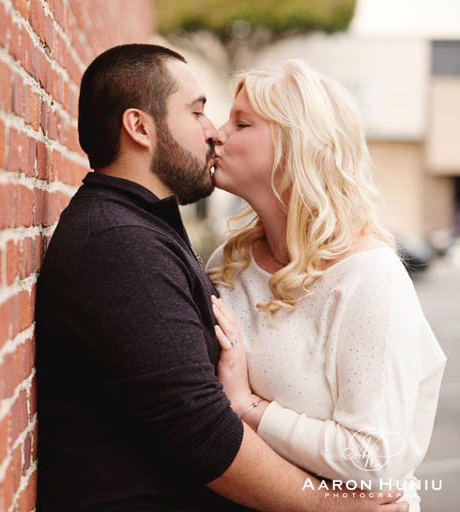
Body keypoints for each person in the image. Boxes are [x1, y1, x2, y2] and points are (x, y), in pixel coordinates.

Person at [35, 44, 407, 511]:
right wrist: (333, 507)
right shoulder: (121, 241)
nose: (213, 133)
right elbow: (196, 426)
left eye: (238, 122)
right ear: (140, 127)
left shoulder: (140, 232)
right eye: (198, 112)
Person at [207, 59, 446, 512]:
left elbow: (376, 459)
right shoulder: (229, 263)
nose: (217, 133)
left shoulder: (370, 276)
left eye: (241, 122)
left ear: (295, 146)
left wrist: (248, 408)